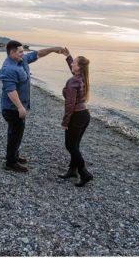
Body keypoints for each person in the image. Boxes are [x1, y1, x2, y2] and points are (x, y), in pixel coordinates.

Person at [0, 41, 64, 172]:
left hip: (18, 107)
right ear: (12, 53)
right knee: (14, 133)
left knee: (17, 132)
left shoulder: (21, 60)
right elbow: (10, 90)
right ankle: (10, 163)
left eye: (23, 51)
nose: (23, 53)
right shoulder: (9, 68)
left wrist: (54, 49)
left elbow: (38, 54)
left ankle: (14, 155)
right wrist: (20, 107)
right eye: (20, 51)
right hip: (12, 108)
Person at [57, 48, 93, 187]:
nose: (72, 65)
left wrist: (65, 122)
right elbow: (75, 69)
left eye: (74, 63)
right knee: (75, 145)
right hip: (85, 116)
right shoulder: (83, 77)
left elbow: (70, 104)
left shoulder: (72, 82)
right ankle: (72, 171)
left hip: (76, 117)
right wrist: (68, 57)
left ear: (79, 67)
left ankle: (84, 173)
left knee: (70, 145)